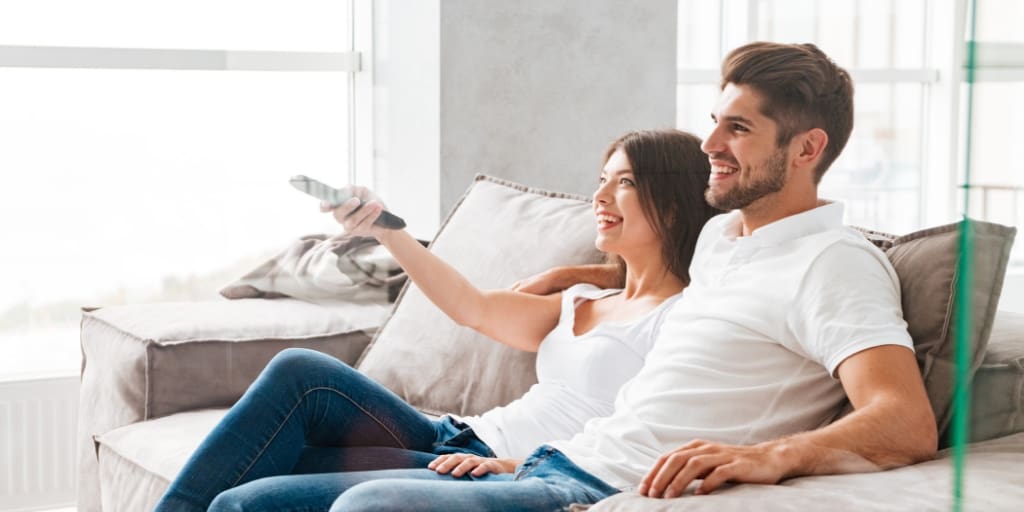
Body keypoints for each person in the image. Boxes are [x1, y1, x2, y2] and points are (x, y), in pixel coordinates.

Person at [316, 42, 938, 512]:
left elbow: (904, 420)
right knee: (252, 501)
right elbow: (653, 278)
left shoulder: (834, 262)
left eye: (739, 129)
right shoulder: (724, 240)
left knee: (368, 505)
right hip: (555, 462)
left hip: (601, 487)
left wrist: (773, 455)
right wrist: (572, 277)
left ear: (807, 150)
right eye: (715, 120)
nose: (710, 144)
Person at [153, 128, 721, 511]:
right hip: (450, 436)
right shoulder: (577, 302)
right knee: (301, 372)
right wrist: (385, 227)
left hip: (510, 467)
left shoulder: (684, 318)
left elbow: (646, 432)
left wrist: (520, 465)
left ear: (673, 202)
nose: (599, 195)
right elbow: (469, 307)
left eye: (622, 182)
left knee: (240, 502)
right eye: (601, 178)